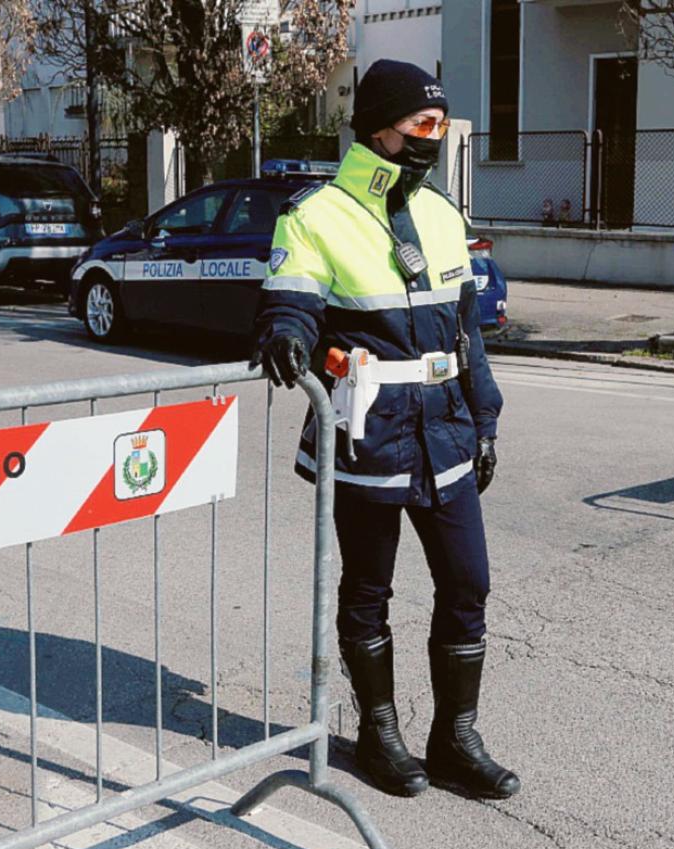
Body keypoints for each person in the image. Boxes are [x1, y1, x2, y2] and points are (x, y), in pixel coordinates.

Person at [251, 59, 518, 801]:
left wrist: (485, 417)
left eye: (440, 125)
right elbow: (291, 299)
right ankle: (379, 730)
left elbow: (469, 334)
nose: (437, 138)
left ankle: (456, 736)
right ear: (379, 128)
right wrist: (287, 334)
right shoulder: (315, 215)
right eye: (424, 125)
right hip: (369, 431)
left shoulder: (441, 214)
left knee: (469, 582)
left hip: (446, 431)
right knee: (368, 588)